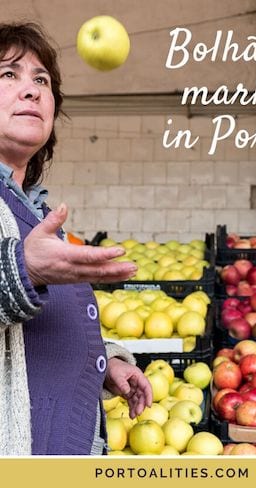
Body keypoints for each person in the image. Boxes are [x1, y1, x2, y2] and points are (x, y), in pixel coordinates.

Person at [0, 21, 152, 456]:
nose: (31, 90)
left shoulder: (36, 211)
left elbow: (40, 335)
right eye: (8, 74)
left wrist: (103, 362)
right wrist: (21, 268)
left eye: (41, 80)